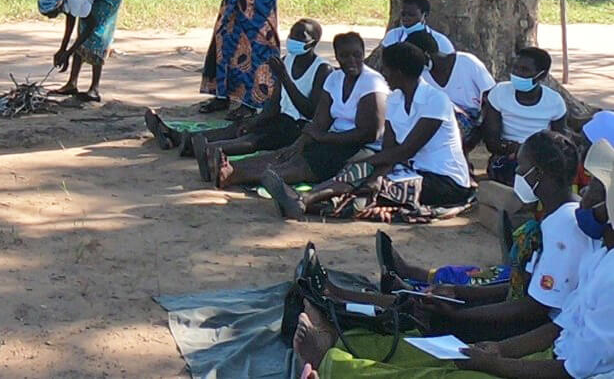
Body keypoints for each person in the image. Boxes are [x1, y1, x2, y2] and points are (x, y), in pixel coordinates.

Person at [292, 137, 614, 379]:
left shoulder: (577, 240)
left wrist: (493, 357)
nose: (583, 195)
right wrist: (499, 350)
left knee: (439, 355)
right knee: (441, 327)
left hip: (553, 356)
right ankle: (336, 338)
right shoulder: (599, 256)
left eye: (594, 190)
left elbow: (569, 361)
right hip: (545, 346)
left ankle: (335, 353)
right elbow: (560, 323)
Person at [263, 42, 474, 221]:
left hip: (445, 182)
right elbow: (390, 148)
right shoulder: (395, 100)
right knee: (363, 179)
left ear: (399, 72)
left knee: (378, 186)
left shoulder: (435, 101)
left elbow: (405, 151)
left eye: (387, 69)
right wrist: (375, 173)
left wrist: (370, 168)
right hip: (410, 169)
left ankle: (304, 201)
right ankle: (304, 201)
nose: (384, 73)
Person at [213, 32, 389, 189]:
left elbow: (369, 134)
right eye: (345, 56)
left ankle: (236, 176)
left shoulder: (372, 84)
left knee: (306, 165)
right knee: (287, 155)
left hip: (363, 147)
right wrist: (300, 143)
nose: (352, 61)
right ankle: (232, 168)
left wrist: (324, 138)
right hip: (336, 138)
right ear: (336, 56)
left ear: (363, 54)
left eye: (357, 55)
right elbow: (321, 120)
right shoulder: (335, 79)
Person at [176, 18, 332, 182]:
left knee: (255, 140)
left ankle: (209, 150)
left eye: (301, 36)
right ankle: (191, 142)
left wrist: (284, 77)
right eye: (292, 33)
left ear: (313, 42)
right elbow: (274, 103)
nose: (294, 38)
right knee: (242, 127)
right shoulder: (287, 60)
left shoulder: (322, 69)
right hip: (282, 118)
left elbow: (310, 111)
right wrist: (256, 120)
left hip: (300, 126)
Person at [37, 0, 127, 103]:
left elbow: (91, 25)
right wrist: (62, 50)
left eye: (50, 13)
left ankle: (94, 89)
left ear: (58, 5)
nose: (49, 17)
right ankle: (72, 84)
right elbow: (71, 17)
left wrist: (68, 53)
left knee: (98, 34)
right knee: (81, 31)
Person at [482, 47, 568, 185]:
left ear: (541, 75)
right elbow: (492, 142)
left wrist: (532, 154)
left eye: (524, 70)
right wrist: (518, 151)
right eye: (515, 68)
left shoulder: (555, 102)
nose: (517, 74)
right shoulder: (499, 93)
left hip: (540, 156)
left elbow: (559, 142)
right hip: (506, 154)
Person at [406, 31, 495, 149]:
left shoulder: (467, 62)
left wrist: (483, 126)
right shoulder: (421, 74)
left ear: (426, 55)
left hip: (473, 119)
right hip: (441, 118)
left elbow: (490, 96)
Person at [380, 0, 455, 54]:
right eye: (403, 14)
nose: (406, 18)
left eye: (411, 15)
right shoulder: (393, 35)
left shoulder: (440, 41)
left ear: (424, 15)